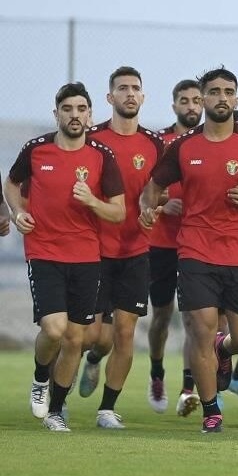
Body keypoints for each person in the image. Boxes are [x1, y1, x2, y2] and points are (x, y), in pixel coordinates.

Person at [139, 67, 238, 433]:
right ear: (203, 98)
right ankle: (210, 411)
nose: (222, 97)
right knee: (200, 331)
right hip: (196, 252)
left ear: (236, 98)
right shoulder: (184, 147)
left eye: (228, 92)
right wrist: (148, 208)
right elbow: (152, 187)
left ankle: (224, 348)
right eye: (214, 91)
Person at [3, 82, 125, 431]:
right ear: (56, 114)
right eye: (68, 109)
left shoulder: (102, 156)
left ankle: (56, 412)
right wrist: (17, 212)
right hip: (44, 251)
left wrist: (92, 201)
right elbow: (11, 184)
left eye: (81, 109)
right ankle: (41, 377)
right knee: (54, 329)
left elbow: (118, 212)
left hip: (86, 256)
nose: (75, 115)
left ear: (90, 114)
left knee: (76, 338)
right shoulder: (36, 149)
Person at [78, 66, 163, 429]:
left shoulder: (154, 144)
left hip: (135, 251)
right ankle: (86, 364)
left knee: (125, 332)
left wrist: (154, 209)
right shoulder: (91, 139)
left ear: (143, 96)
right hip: (93, 251)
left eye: (135, 88)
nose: (130, 93)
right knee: (92, 336)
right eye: (122, 88)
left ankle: (107, 410)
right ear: (109, 97)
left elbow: (162, 191)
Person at [147, 79, 203, 416]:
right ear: (174, 106)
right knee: (162, 317)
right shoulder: (160, 142)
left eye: (196, 100)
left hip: (197, 245)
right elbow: (145, 189)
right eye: (184, 100)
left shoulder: (211, 142)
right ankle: (156, 373)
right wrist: (162, 203)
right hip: (162, 244)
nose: (191, 106)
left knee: (195, 319)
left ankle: (187, 389)